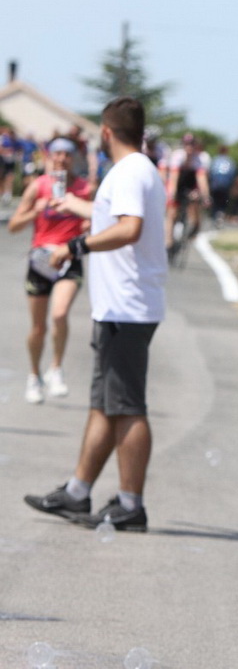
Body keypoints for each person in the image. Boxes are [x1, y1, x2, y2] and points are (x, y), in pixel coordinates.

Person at [23, 96, 168, 533]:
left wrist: (75, 245)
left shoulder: (128, 172)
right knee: (105, 405)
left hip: (127, 307)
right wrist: (81, 209)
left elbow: (128, 228)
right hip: (120, 307)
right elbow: (115, 216)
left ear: (106, 132)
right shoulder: (139, 170)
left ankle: (130, 505)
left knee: (127, 407)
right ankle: (77, 491)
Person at [7, 137, 92, 404]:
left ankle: (56, 368)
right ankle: (34, 375)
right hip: (40, 260)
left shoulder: (82, 188)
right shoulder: (38, 187)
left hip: (69, 257)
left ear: (73, 158)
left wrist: (87, 226)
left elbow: (93, 219)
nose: (62, 159)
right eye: (57, 154)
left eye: (67, 155)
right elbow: (13, 226)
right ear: (49, 157)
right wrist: (35, 211)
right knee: (38, 328)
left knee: (60, 314)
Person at [164, 132, 210, 252]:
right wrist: (172, 195)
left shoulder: (201, 158)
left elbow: (202, 180)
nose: (189, 147)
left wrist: (205, 196)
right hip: (179, 182)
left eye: (192, 144)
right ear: (183, 145)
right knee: (172, 213)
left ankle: (193, 228)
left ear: (196, 146)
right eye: (186, 144)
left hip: (191, 183)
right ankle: (169, 241)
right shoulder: (177, 156)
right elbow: (174, 178)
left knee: (196, 203)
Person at [208, 144, 238, 222]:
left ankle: (216, 216)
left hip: (215, 184)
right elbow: (233, 174)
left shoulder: (215, 160)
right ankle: (220, 214)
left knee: (215, 200)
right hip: (226, 184)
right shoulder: (230, 161)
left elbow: (210, 173)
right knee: (223, 201)